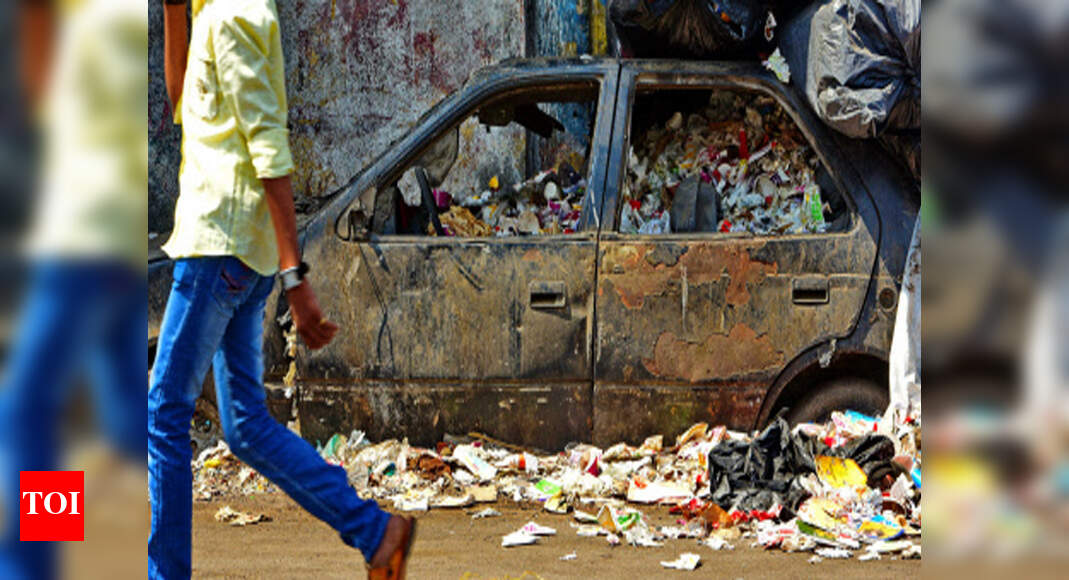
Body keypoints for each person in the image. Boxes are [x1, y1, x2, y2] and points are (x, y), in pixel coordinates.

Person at [150, 1, 414, 578]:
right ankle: (375, 531)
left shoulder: (236, 14)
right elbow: (182, 106)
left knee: (163, 412)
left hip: (220, 246)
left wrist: (296, 276)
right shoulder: (209, 12)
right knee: (244, 424)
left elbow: (271, 147)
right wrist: (173, 11)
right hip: (234, 250)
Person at [0, 1, 147, 578]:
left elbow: (38, 90)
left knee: (29, 409)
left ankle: (34, 565)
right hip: (115, 227)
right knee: (120, 412)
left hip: (79, 231)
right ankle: (129, 554)